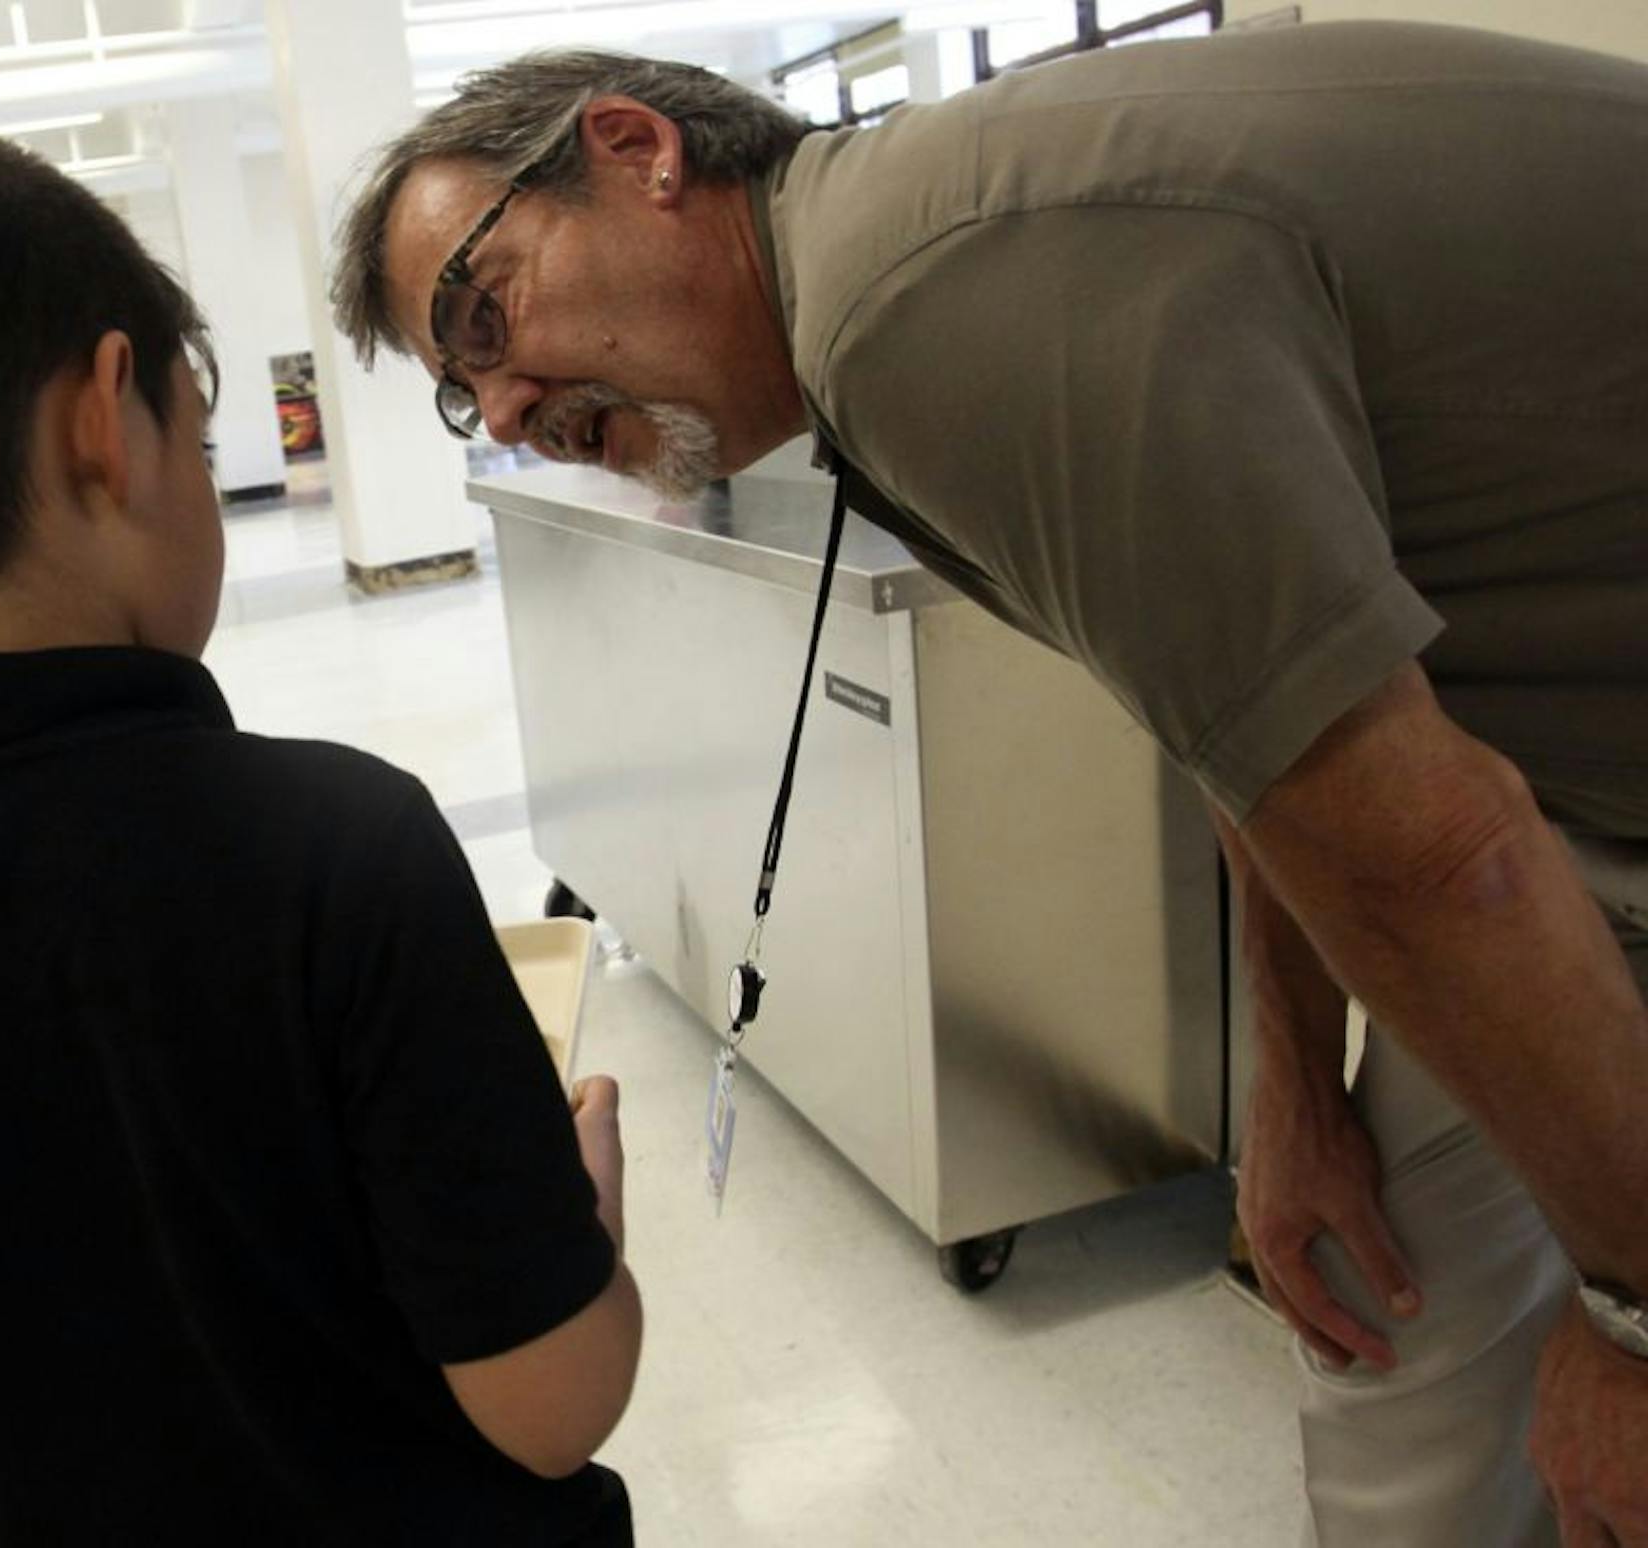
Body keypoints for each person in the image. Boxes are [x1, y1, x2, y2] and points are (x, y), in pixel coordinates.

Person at [329, 23, 1648, 1548]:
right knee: (1393, 1363)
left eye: (480, 317)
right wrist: (1292, 1092)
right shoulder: (883, 303)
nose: (498, 412)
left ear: (638, 154)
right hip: (1559, 796)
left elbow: (1440, 859)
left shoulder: (934, 305)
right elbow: (1259, 717)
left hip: (1551, 815)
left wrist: (1627, 1332)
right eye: (458, 393)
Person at [0, 127, 641, 1547]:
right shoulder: (338, 848)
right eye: (194, 427)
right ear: (101, 420)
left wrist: (6, 1297)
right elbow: (551, 1404)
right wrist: (578, 1227)